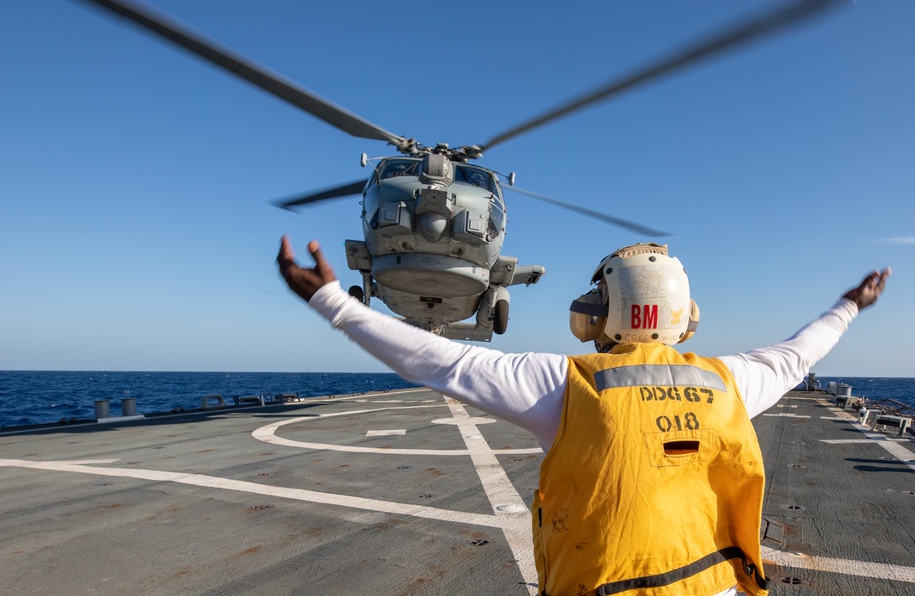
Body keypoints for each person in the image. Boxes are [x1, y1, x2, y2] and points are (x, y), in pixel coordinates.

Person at [276, 236, 889, 596]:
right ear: (683, 314)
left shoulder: (568, 384)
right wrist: (851, 305)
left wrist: (331, 301)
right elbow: (797, 353)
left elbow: (442, 362)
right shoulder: (728, 382)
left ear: (604, 308)